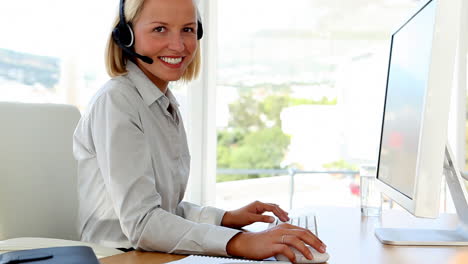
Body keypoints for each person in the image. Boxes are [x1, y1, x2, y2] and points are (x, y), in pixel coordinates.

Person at [73, 0, 327, 262]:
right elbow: (143, 223)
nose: (178, 45)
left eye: (188, 29)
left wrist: (225, 219)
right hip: (115, 257)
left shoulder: (162, 104)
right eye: (160, 29)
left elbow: (163, 209)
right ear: (126, 36)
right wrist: (242, 242)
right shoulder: (117, 102)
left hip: (150, 252)